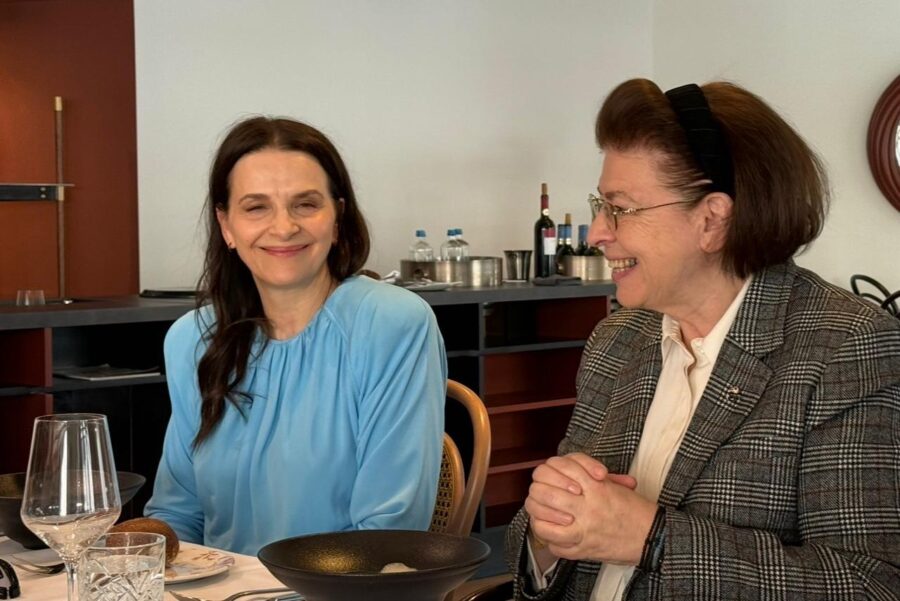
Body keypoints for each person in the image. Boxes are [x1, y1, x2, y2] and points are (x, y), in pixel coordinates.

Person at [505, 78, 900, 600]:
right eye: (600, 204)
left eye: (621, 208)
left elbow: (871, 585)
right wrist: (546, 533)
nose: (598, 232)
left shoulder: (847, 350)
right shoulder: (616, 339)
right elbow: (544, 534)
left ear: (712, 220)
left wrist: (651, 539)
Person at [145, 116, 447, 555]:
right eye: (256, 207)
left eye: (305, 204)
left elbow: (388, 529)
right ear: (226, 225)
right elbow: (178, 512)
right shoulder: (192, 339)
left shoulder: (392, 324)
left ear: (337, 217)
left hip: (350, 584)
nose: (284, 227)